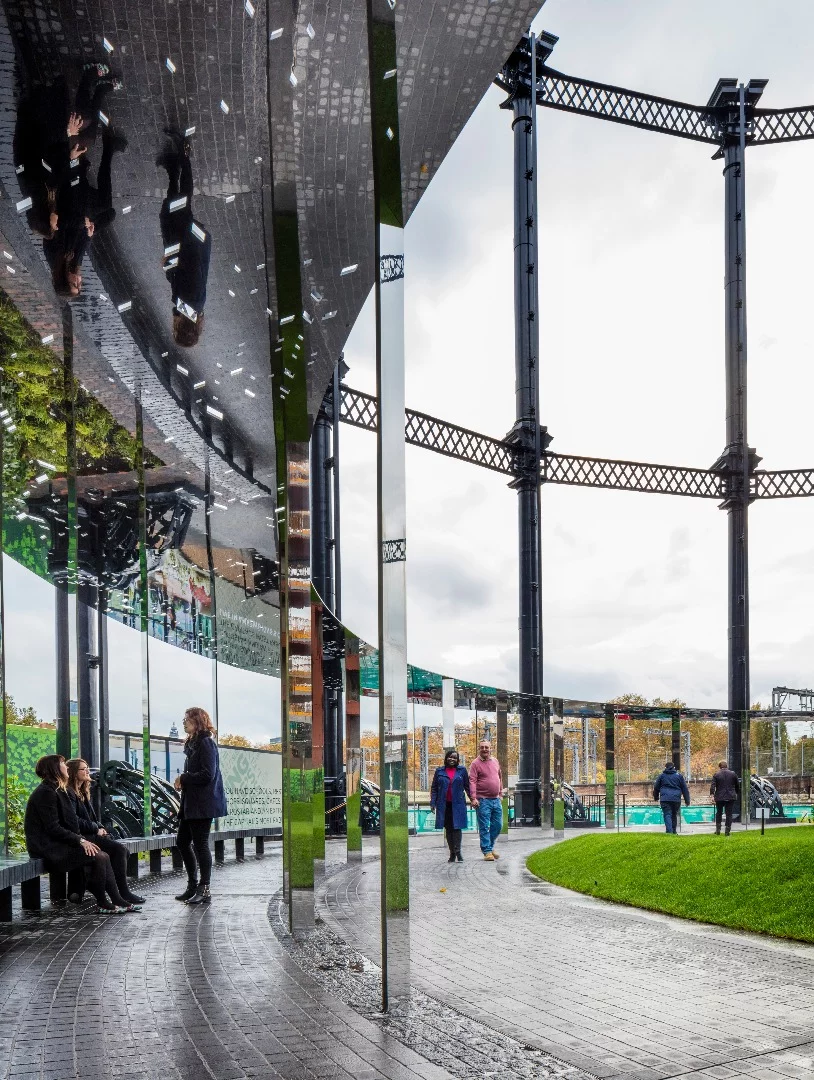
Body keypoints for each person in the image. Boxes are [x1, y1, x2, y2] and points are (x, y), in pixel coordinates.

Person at [24, 755, 139, 913]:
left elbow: (68, 822)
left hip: (58, 843)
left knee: (101, 855)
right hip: (48, 848)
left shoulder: (57, 789)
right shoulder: (46, 792)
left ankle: (112, 900)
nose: (66, 767)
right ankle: (104, 901)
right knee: (99, 855)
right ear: (54, 769)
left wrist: (83, 838)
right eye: (63, 764)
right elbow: (53, 828)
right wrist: (81, 840)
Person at [157, 129, 212, 346]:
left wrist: (169, 268)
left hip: (184, 243)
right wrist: (170, 264)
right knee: (180, 202)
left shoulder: (189, 306)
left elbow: (177, 278)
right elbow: (191, 266)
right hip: (185, 241)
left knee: (173, 205)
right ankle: (183, 153)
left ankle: (173, 167)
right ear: (181, 327)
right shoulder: (189, 301)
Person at [66, 758, 145, 905]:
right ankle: (120, 893)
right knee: (118, 850)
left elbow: (91, 818)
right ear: (72, 773)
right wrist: (96, 829)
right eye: (83, 769)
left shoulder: (82, 791)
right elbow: (74, 821)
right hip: (82, 837)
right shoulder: (70, 793)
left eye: (87, 768)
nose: (87, 771)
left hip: (89, 834)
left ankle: (119, 892)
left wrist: (100, 827)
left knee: (121, 850)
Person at [173, 707, 227, 905]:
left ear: (198, 721)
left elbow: (208, 775)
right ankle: (193, 885)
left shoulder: (206, 743)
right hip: (193, 803)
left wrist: (184, 778)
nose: (184, 722)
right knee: (182, 841)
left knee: (200, 844)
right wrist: (184, 782)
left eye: (187, 719)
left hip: (203, 804)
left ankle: (204, 889)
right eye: (184, 719)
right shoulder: (194, 743)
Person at [429, 749, 473, 862]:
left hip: (458, 804)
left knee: (457, 827)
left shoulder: (462, 771)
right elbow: (434, 788)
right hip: (444, 805)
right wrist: (433, 802)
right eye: (450, 757)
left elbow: (467, 787)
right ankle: (452, 853)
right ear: (446, 758)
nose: (452, 759)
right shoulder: (439, 771)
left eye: (454, 758)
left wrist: (473, 798)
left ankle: (458, 851)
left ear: (457, 760)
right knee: (448, 829)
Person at [469, 740, 506, 861]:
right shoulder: (475, 764)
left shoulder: (495, 761)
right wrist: (473, 798)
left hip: (496, 799)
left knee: (498, 825)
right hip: (483, 800)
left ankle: (489, 846)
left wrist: (500, 793)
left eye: (486, 747)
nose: (484, 749)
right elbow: (472, 781)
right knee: (484, 826)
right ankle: (487, 851)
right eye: (482, 747)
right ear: (479, 749)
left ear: (491, 748)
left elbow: (499, 777)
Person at [653, 760, 691, 834]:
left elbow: (656, 787)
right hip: (676, 799)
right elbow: (684, 788)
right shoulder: (679, 776)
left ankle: (669, 831)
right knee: (674, 814)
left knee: (667, 814)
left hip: (665, 799)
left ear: (665, 767)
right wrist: (687, 800)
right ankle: (674, 831)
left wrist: (656, 797)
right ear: (674, 767)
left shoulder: (662, 776)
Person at [710, 759, 740, 836]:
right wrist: (736, 792)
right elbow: (737, 785)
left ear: (719, 767)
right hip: (730, 796)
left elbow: (713, 786)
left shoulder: (716, 774)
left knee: (719, 813)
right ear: (727, 766)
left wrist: (712, 795)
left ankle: (718, 830)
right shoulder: (733, 774)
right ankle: (727, 831)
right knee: (729, 814)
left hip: (719, 797)